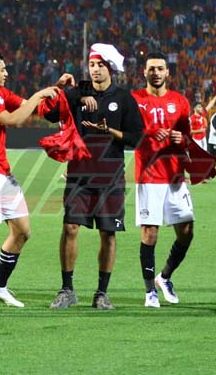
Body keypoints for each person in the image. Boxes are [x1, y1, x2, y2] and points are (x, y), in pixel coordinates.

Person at [44, 43, 143, 310]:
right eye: (91, 65)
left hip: (111, 177)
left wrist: (109, 131)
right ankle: (67, 290)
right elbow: (49, 113)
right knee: (70, 228)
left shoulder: (124, 98)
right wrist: (61, 89)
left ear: (110, 68)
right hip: (79, 174)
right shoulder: (77, 92)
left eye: (100, 65)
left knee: (108, 234)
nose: (95, 69)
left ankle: (102, 293)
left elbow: (137, 138)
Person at [0, 50, 61, 312]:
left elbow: (30, 106)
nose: (7, 73)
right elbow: (13, 119)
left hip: (2, 171)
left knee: (22, 231)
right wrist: (40, 94)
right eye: (2, 69)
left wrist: (57, 91)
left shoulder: (0, 93)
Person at [131, 52, 197, 308]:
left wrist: (183, 139)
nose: (155, 73)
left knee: (187, 231)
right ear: (144, 71)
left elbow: (188, 138)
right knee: (150, 233)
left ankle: (165, 276)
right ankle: (150, 292)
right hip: (148, 176)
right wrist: (149, 133)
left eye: (160, 68)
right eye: (151, 68)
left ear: (167, 72)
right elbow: (128, 133)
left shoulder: (180, 101)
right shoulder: (135, 100)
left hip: (175, 177)